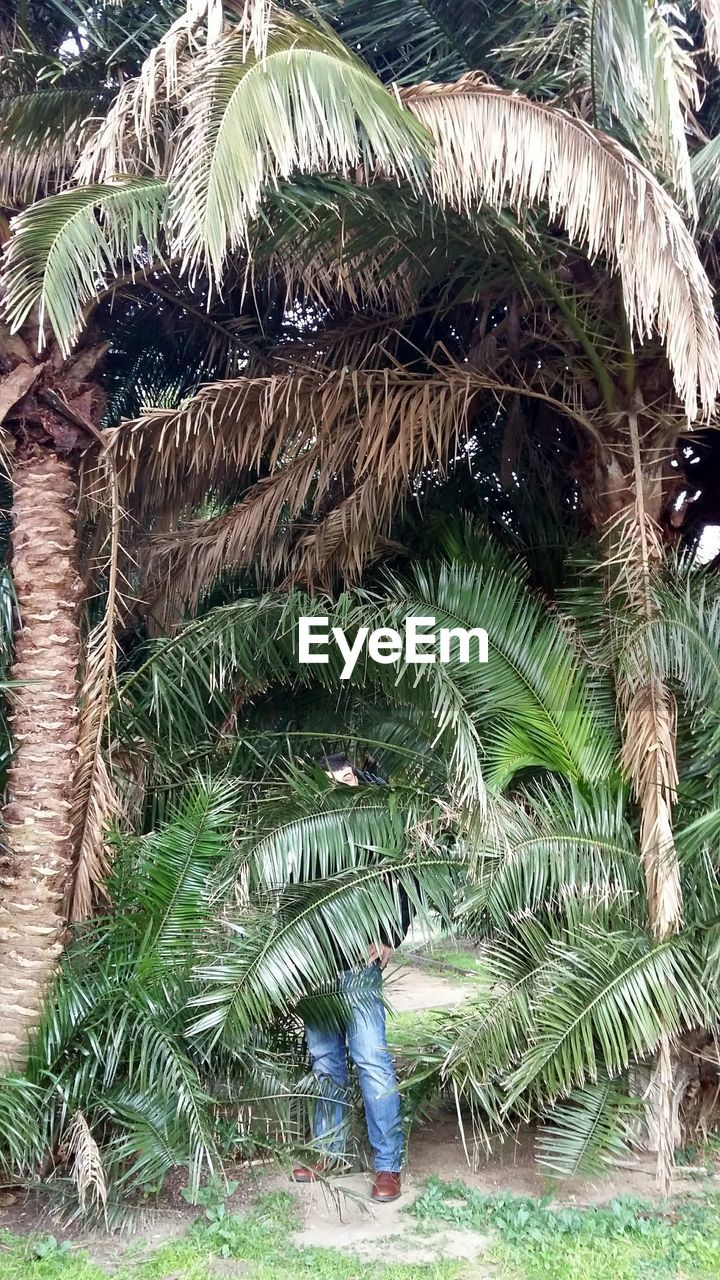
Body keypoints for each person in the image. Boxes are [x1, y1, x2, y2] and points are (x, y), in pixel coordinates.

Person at [292, 752, 410, 1203]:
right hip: (317, 963)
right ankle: (329, 1151)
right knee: (325, 1061)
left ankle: (387, 1164)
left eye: (346, 776)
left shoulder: (374, 828)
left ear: (358, 780)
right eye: (329, 777)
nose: (339, 784)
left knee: (370, 1059)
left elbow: (402, 881)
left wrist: (390, 937)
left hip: (359, 964)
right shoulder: (303, 833)